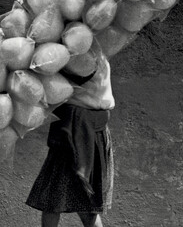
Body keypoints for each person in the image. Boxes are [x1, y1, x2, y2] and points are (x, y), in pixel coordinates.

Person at [25, 39, 114, 227]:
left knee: (54, 199)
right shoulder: (93, 50)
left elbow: (56, 77)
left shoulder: (85, 55)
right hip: (83, 129)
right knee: (83, 202)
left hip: (77, 132)